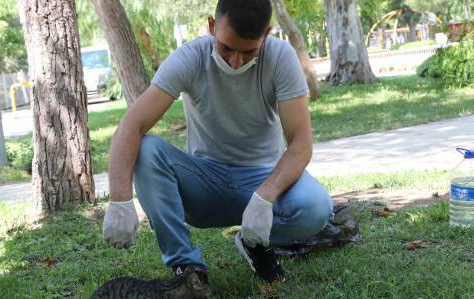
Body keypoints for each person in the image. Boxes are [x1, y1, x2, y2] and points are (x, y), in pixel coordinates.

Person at [102, 0, 359, 283]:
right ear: (212, 27)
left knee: (316, 208)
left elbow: (300, 143)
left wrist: (265, 196)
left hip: (263, 180)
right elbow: (131, 125)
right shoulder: (189, 58)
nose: (235, 61)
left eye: (248, 52)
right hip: (204, 185)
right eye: (226, 48)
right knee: (148, 148)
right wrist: (120, 199)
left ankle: (254, 243)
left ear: (267, 34)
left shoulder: (280, 57)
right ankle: (187, 269)